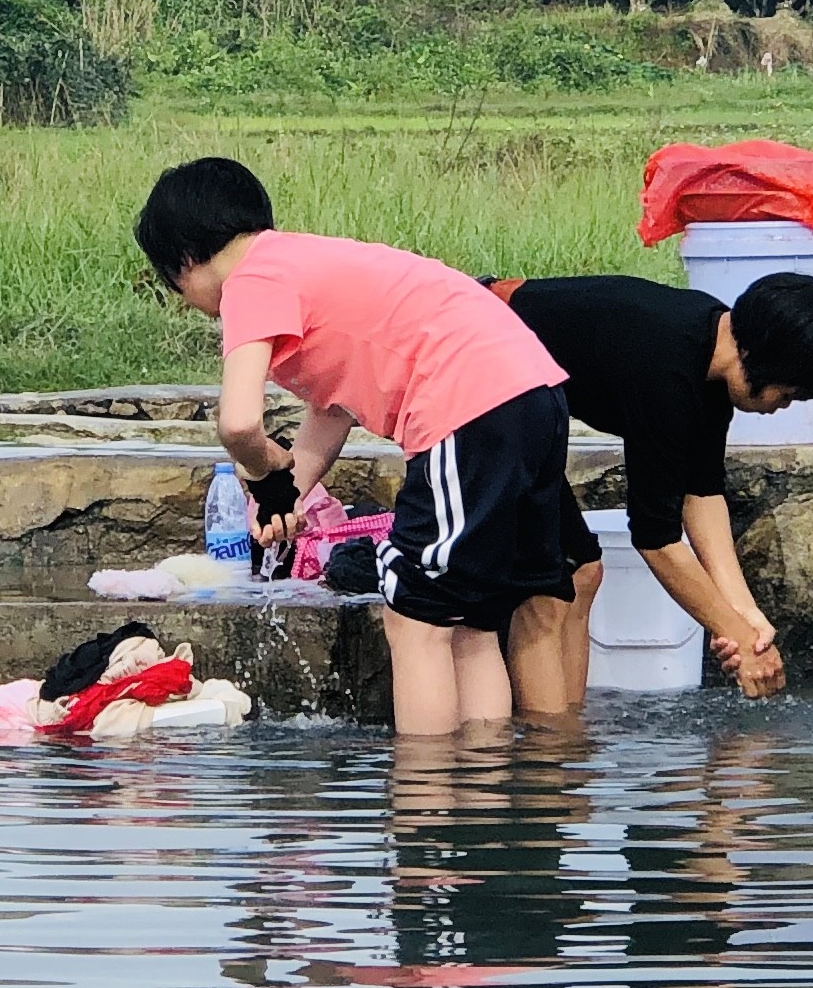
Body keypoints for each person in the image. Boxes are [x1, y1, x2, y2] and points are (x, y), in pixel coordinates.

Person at [134, 157, 592, 735]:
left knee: (415, 623)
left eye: (176, 287)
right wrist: (288, 495)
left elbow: (239, 424)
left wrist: (263, 471)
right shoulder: (304, 260)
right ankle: (482, 800)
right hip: (532, 395)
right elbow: (333, 407)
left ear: (186, 261)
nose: (186, 301)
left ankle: (424, 806)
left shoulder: (248, 281)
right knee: (470, 621)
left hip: (467, 407)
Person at [495, 269, 813, 702]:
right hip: (480, 366)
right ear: (770, 359)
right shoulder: (666, 370)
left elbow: (701, 493)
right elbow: (656, 539)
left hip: (523, 397)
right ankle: (548, 754)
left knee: (580, 572)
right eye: (789, 393)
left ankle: (571, 746)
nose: (783, 407)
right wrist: (736, 637)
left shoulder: (710, 358)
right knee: (547, 591)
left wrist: (745, 616)